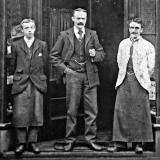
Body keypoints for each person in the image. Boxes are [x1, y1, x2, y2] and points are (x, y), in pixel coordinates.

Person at [50, 8, 105, 151]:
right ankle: (69, 140)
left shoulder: (92, 34)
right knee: (71, 110)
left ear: (86, 19)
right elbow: (54, 57)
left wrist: (95, 54)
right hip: (73, 76)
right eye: (78, 18)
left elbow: (101, 54)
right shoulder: (64, 35)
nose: (81, 21)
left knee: (92, 110)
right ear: (73, 19)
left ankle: (91, 139)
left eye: (83, 19)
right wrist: (66, 71)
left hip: (90, 76)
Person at [107, 18, 155, 154]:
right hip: (124, 79)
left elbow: (150, 67)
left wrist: (140, 76)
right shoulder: (123, 44)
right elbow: (119, 61)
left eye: (137, 28)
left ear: (142, 30)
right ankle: (120, 142)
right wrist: (126, 74)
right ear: (129, 29)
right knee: (121, 110)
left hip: (140, 82)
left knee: (139, 112)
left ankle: (138, 143)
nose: (134, 31)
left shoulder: (148, 46)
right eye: (132, 28)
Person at [11, 19, 48, 155]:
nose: (30, 30)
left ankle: (32, 142)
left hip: (37, 82)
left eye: (32, 27)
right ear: (22, 30)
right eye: (26, 28)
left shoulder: (42, 45)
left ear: (35, 28)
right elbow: (12, 64)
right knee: (20, 113)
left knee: (36, 113)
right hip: (21, 82)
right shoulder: (16, 45)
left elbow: (45, 64)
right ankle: (21, 143)